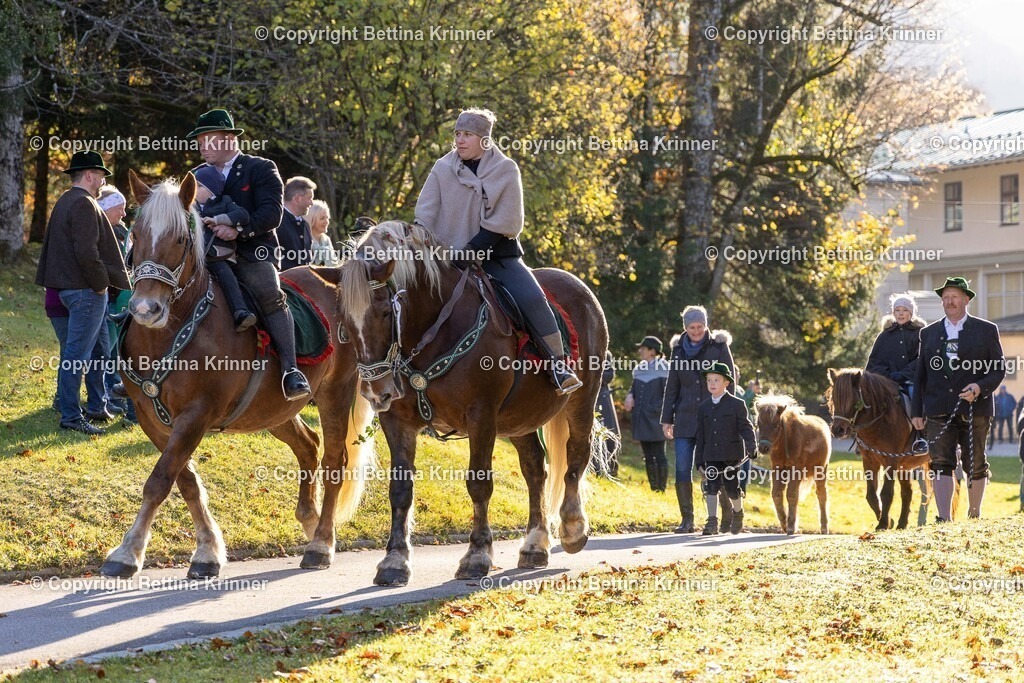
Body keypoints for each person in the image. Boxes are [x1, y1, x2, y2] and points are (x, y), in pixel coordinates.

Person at [414, 108, 581, 395]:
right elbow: (425, 213)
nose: (460, 140)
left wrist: (472, 251)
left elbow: (506, 221)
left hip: (497, 256)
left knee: (532, 297)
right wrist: (420, 242)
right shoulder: (442, 168)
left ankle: (558, 364)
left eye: (467, 135)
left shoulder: (505, 169)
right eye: (457, 134)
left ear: (485, 140)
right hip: (447, 258)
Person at [186, 108, 310, 400]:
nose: (202, 146)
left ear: (229, 138)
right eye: (199, 142)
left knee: (269, 293)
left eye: (207, 139)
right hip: (207, 253)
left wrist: (238, 231)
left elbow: (272, 213)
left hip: (253, 252)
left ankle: (291, 371)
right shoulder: (195, 176)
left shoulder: (261, 168)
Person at [35, 151, 131, 434]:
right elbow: (87, 252)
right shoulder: (84, 203)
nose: (102, 179)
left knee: (95, 350)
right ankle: (71, 418)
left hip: (70, 289)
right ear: (89, 175)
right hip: (85, 291)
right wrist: (101, 284)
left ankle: (95, 407)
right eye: (100, 174)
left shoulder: (67, 201)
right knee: (77, 355)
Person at [911, 276, 1005, 521]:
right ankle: (944, 518)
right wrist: (917, 411)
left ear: (966, 300)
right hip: (938, 408)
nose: (949, 302)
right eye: (945, 298)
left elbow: (998, 369)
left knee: (975, 462)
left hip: (977, 407)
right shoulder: (928, 333)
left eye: (954, 297)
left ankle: (974, 514)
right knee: (941, 461)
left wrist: (979, 386)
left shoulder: (986, 330)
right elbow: (920, 375)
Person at [660, 304, 736, 533]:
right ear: (685, 327)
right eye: (691, 327)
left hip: (712, 420)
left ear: (706, 325)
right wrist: (667, 419)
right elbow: (671, 386)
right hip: (684, 419)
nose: (696, 331)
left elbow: (729, 382)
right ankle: (687, 520)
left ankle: (725, 517)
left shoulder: (719, 346)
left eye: (700, 326)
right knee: (682, 468)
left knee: (715, 469)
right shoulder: (678, 350)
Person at [192, 166, 258, 332]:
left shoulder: (224, 202)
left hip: (217, 256)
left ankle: (240, 311)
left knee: (226, 274)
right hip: (192, 256)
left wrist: (217, 219)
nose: (194, 190)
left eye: (199, 186)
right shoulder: (189, 206)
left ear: (212, 189)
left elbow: (243, 215)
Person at [694, 362, 756, 535]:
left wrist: (752, 446)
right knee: (711, 488)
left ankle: (738, 512)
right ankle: (711, 521)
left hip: (731, 456)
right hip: (711, 455)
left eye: (716, 380)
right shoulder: (703, 407)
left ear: (726, 383)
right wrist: (699, 460)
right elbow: (701, 436)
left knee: (731, 489)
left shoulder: (737, 404)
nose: (712, 383)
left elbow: (746, 427)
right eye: (709, 380)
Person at [867, 293, 928, 454]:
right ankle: (864, 439)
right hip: (886, 382)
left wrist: (903, 374)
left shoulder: (920, 333)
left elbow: (922, 358)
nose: (901, 313)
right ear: (893, 313)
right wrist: (888, 375)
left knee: (916, 395)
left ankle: (920, 437)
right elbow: (874, 362)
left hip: (911, 380)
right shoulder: (884, 336)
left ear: (911, 312)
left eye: (905, 310)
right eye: (897, 310)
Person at [96, 186, 135, 425]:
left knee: (115, 351)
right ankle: (105, 395)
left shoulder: (120, 231)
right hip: (108, 298)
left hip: (121, 298)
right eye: (119, 208)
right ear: (107, 207)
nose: (123, 214)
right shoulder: (102, 231)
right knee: (106, 350)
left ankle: (113, 394)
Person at [623, 336, 670, 492]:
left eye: (643, 348)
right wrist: (630, 396)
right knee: (648, 455)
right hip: (641, 417)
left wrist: (655, 410)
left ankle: (661, 489)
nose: (640, 351)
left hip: (657, 419)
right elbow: (633, 389)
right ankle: (653, 488)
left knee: (659, 455)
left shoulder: (664, 367)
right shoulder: (639, 368)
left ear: (652, 351)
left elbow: (668, 395)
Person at [277, 176, 315, 271]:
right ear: (297, 198)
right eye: (309, 198)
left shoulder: (305, 225)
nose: (311, 203)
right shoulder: (277, 222)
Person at [594, 350, 620, 477]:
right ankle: (595, 468)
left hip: (602, 398)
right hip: (587, 399)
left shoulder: (605, 353)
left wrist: (592, 375)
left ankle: (611, 466)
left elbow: (609, 374)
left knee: (608, 433)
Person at [307, 199, 339, 267]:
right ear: (311, 220)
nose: (326, 222)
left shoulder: (326, 240)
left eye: (327, 218)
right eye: (322, 218)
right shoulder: (305, 239)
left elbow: (335, 266)